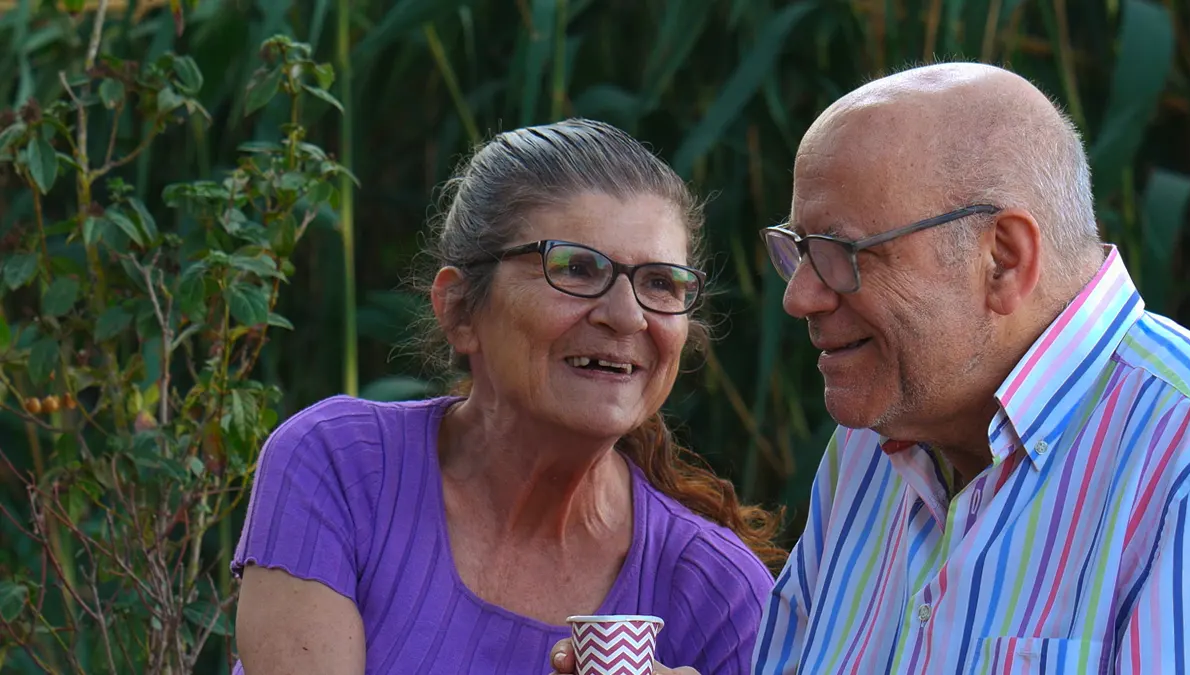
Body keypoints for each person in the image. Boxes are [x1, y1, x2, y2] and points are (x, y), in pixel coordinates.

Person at [230, 118, 784, 675]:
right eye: (575, 268)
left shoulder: (722, 597)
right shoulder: (342, 468)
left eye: (662, 282)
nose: (626, 316)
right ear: (459, 310)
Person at [751, 62, 1190, 674]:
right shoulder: (868, 443)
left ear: (1003, 260)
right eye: (798, 251)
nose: (799, 297)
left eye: (841, 253)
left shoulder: (1184, 460)